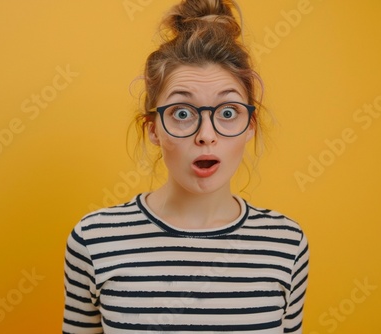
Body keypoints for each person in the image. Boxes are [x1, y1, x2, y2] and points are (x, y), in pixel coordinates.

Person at [62, 0, 309, 333]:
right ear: (153, 129)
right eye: (181, 113)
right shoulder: (94, 240)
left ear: (250, 125)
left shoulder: (285, 244)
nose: (206, 136)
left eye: (227, 112)